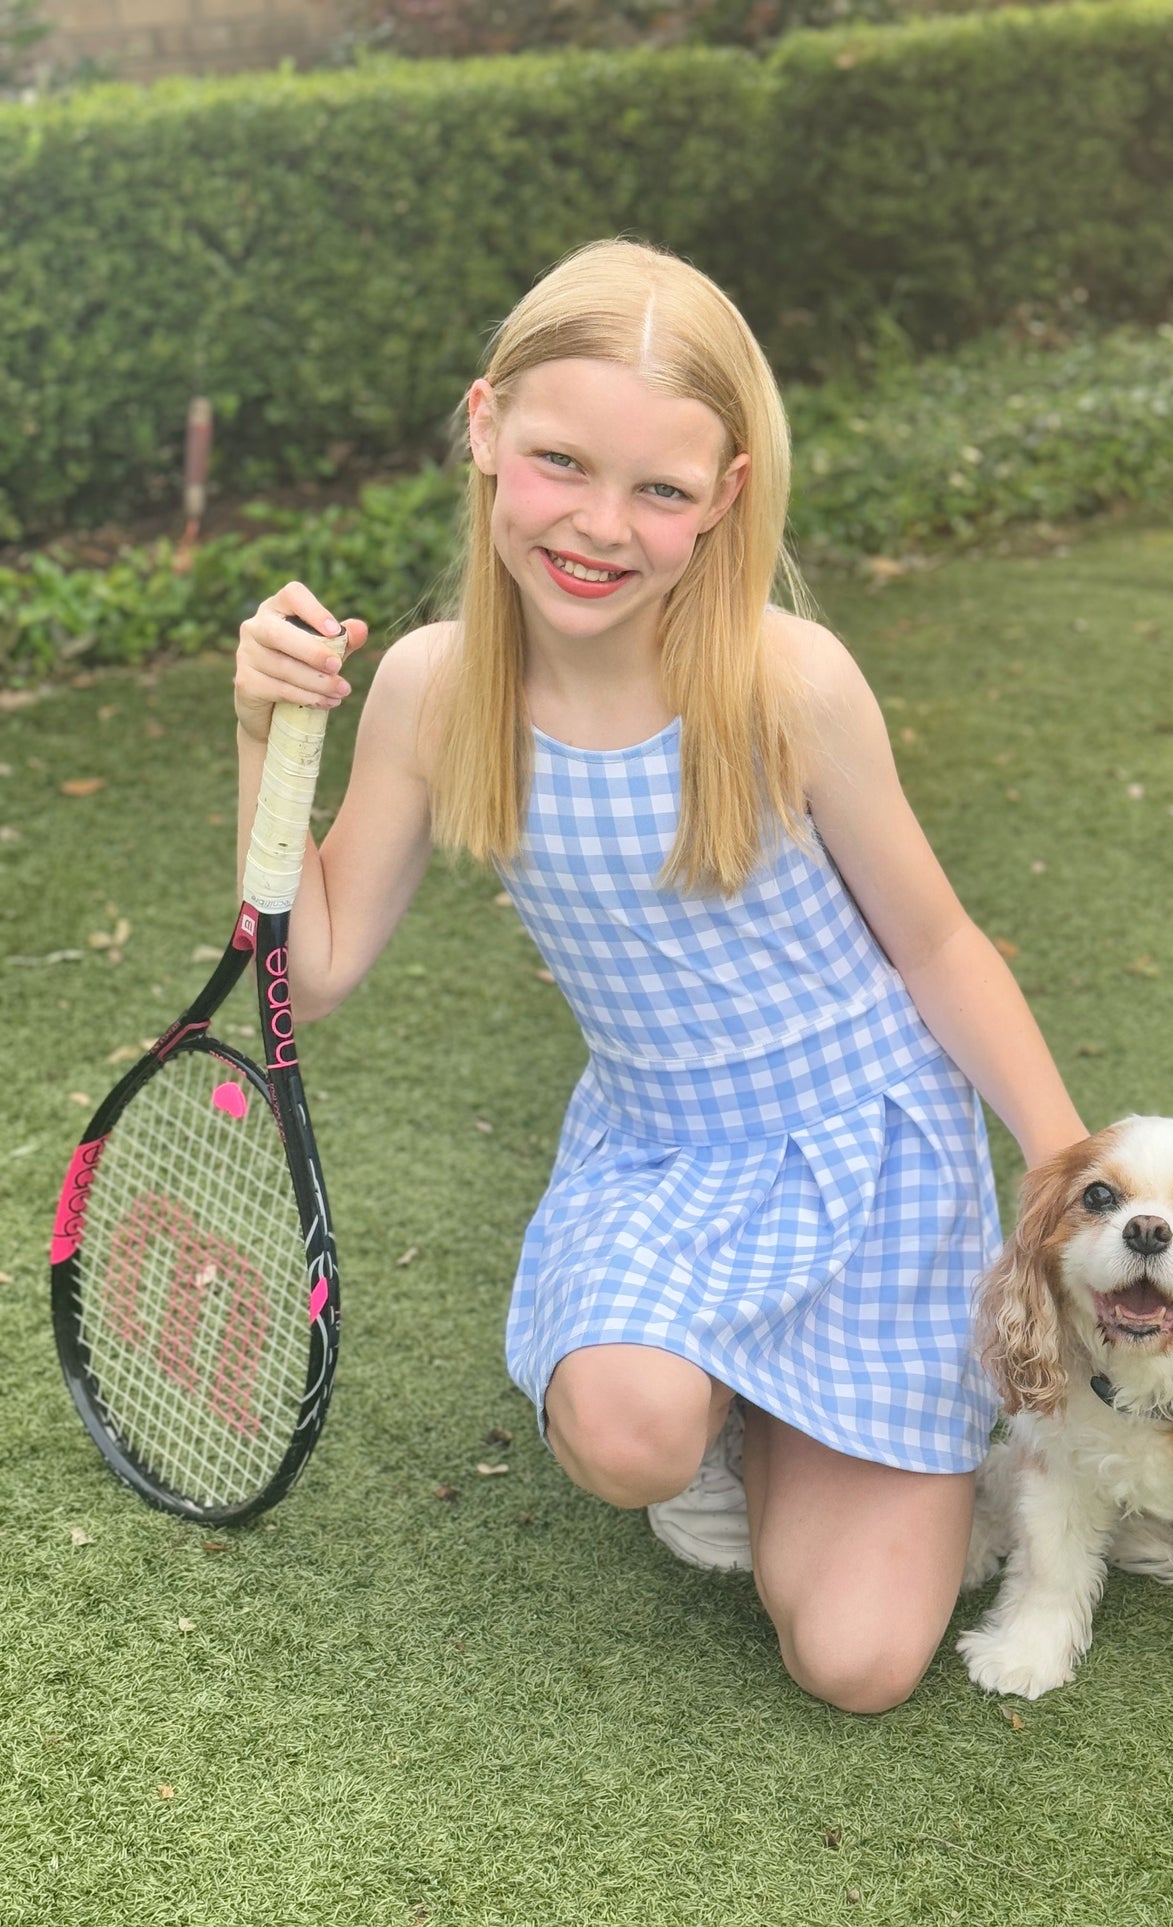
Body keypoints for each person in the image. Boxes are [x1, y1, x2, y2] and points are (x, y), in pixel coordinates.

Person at [233, 238, 1088, 1715]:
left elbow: (937, 944)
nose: (597, 526)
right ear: (487, 427)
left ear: (727, 498)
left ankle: (809, 1418)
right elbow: (306, 964)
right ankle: (713, 1406)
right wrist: (265, 733)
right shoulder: (437, 687)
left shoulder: (784, 681)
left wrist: (1060, 1162)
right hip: (661, 1155)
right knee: (628, 1436)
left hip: (867, 1154)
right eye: (560, 462)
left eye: (662, 491)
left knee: (859, 1663)